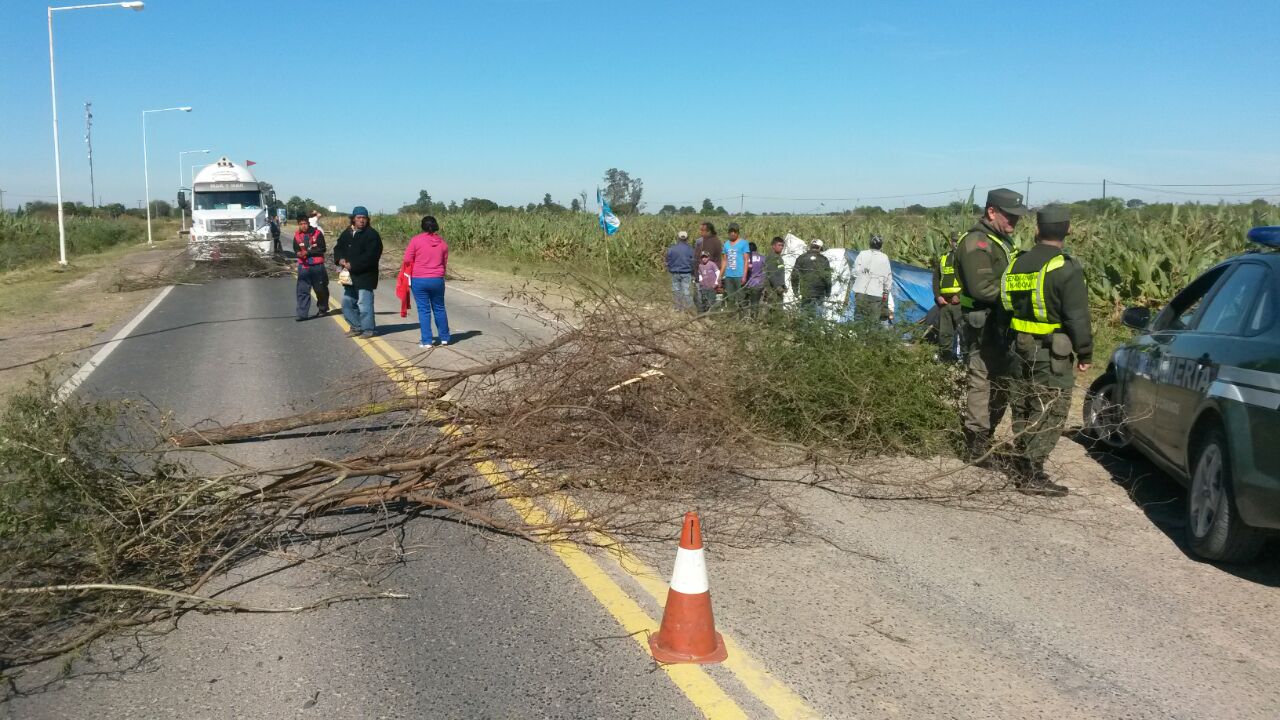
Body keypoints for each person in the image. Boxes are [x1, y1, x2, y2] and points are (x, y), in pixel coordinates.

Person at [1002, 204, 1092, 496]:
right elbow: (1077, 317)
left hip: (1018, 347)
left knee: (1023, 405)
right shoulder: (1065, 268)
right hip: (1051, 355)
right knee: (1050, 410)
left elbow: (1004, 306)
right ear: (1068, 230)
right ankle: (1032, 472)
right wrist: (1085, 353)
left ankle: (1022, 463)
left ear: (1037, 230)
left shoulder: (1016, 262)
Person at [954, 188, 1027, 461]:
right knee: (982, 380)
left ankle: (986, 435)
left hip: (1000, 321)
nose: (1014, 222)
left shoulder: (1000, 240)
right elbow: (983, 288)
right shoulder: (977, 242)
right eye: (1009, 216)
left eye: (1018, 218)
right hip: (983, 322)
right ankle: (976, 444)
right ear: (992, 211)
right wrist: (1024, 296)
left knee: (1001, 382)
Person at [332, 206, 383, 338]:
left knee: (364, 303)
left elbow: (371, 256)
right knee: (347, 302)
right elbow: (338, 247)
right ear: (353, 219)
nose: (361, 220)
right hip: (350, 276)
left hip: (365, 275)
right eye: (359, 218)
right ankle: (355, 326)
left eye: (364, 218)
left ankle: (368, 329)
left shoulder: (372, 235)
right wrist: (340, 259)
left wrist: (353, 265)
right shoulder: (347, 232)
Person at [403, 215, 451, 347]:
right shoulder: (443, 244)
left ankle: (427, 341)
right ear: (436, 226)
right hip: (437, 279)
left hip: (419, 278)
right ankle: (445, 338)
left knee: (424, 310)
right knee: (439, 308)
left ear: (422, 226)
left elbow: (407, 259)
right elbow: (444, 262)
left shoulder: (416, 241)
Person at [932, 231, 963, 362]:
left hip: (959, 302)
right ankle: (945, 359)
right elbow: (936, 279)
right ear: (950, 242)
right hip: (944, 302)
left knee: (963, 332)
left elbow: (969, 280)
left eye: (959, 241)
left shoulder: (965, 258)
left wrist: (959, 295)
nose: (956, 243)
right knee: (945, 333)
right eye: (954, 240)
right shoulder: (944, 258)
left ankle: (962, 358)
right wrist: (938, 296)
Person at [851, 234, 894, 324]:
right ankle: (870, 337)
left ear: (870, 244)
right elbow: (888, 278)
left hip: (860, 292)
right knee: (873, 321)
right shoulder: (884, 257)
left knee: (859, 318)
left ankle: (858, 336)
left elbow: (855, 272)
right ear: (880, 246)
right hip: (876, 293)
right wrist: (886, 291)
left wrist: (862, 278)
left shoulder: (862, 254)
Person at [292, 214, 329, 321]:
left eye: (305, 223)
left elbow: (322, 249)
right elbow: (296, 249)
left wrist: (308, 252)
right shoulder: (297, 235)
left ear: (308, 223)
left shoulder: (317, 233)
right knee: (302, 290)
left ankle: (322, 308)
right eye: (301, 224)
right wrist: (299, 253)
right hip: (304, 267)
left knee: (320, 289)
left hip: (317, 267)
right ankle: (302, 314)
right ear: (298, 225)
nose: (303, 226)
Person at [790, 239, 832, 314]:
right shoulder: (824, 260)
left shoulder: (801, 258)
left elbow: (794, 275)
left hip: (806, 293)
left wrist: (795, 290)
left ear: (810, 247)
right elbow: (827, 277)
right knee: (817, 320)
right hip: (819, 294)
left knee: (804, 318)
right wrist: (828, 291)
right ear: (820, 248)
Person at [720, 223, 750, 309]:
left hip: (739, 275)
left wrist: (744, 276)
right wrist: (720, 275)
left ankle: (742, 318)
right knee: (730, 298)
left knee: (741, 298)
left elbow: (746, 260)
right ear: (728, 233)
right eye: (731, 232)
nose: (733, 233)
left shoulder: (744, 243)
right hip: (729, 276)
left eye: (735, 232)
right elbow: (724, 261)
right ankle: (731, 319)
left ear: (738, 232)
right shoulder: (726, 244)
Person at [665, 230, 695, 311]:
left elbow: (667, 261)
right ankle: (688, 308)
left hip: (675, 272)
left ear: (678, 238)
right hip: (686, 272)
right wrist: (693, 271)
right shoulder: (690, 249)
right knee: (686, 291)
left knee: (676, 290)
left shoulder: (672, 249)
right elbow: (693, 261)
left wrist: (670, 268)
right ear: (686, 238)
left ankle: (677, 308)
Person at [742, 242, 766, 315]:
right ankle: (754, 320)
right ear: (756, 249)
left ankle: (744, 320)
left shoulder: (744, 259)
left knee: (744, 304)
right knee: (755, 304)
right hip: (758, 284)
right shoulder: (762, 258)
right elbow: (767, 270)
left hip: (746, 284)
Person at [763, 236, 787, 307]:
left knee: (779, 310)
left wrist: (783, 285)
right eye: (779, 245)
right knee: (774, 310)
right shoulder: (771, 257)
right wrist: (777, 287)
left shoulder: (779, 258)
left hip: (779, 289)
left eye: (782, 245)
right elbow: (771, 274)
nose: (781, 247)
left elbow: (780, 273)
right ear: (773, 246)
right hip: (772, 290)